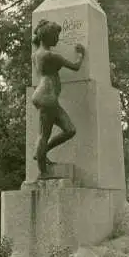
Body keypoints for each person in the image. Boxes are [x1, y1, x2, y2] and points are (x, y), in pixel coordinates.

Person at [31, 19, 85, 179]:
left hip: (45, 96)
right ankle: (42, 171)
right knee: (43, 134)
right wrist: (81, 54)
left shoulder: (36, 53)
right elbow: (76, 66)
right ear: (47, 37)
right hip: (47, 97)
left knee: (70, 130)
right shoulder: (51, 56)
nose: (57, 39)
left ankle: (41, 153)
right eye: (55, 35)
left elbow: (35, 42)